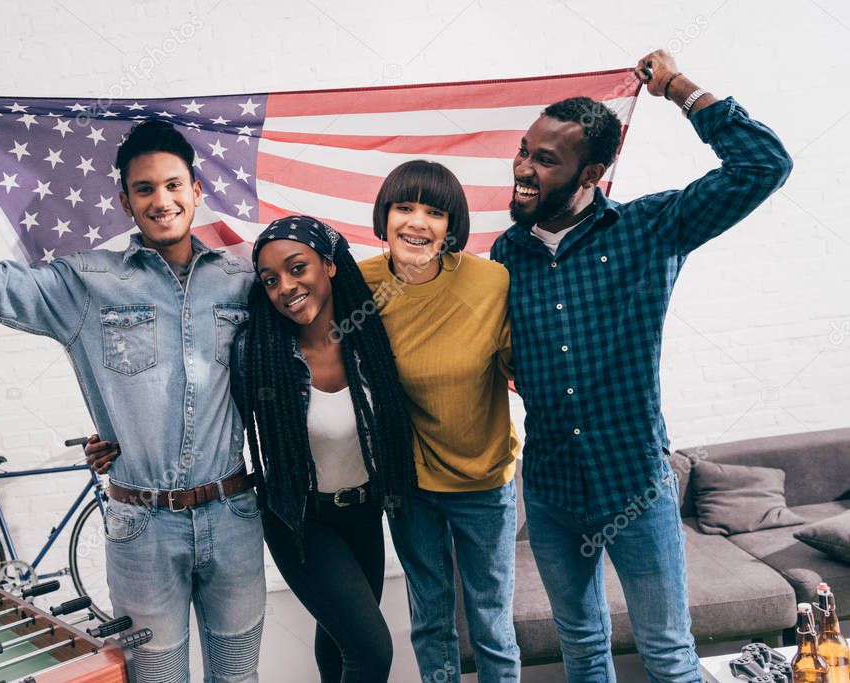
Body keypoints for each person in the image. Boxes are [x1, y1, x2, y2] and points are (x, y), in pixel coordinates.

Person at [0, 91, 264, 682]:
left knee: (239, 678)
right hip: (143, 531)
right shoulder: (86, 284)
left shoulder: (242, 280)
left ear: (196, 191)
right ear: (125, 202)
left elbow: (311, 331)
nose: (162, 200)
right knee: (157, 678)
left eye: (173, 185)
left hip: (234, 518)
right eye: (144, 189)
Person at [489, 50, 793, 682]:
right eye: (524, 151)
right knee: (583, 648)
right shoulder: (505, 253)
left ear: (593, 172)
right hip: (550, 489)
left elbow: (764, 164)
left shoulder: (650, 227)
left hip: (636, 482)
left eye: (545, 160)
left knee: (669, 657)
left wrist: (681, 90)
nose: (523, 168)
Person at [358, 160, 521, 682]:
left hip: (483, 480)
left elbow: (525, 365)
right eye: (404, 207)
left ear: (453, 226)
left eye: (435, 212)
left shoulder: (490, 282)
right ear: (384, 216)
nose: (417, 223)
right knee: (430, 620)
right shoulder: (357, 286)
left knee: (491, 624)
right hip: (408, 484)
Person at [242, 216, 417, 682]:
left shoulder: (372, 338)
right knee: (373, 652)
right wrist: (115, 442)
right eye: (271, 280)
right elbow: (199, 410)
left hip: (364, 515)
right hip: (301, 523)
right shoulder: (261, 356)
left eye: (298, 268)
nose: (286, 287)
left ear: (330, 265)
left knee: (342, 648)